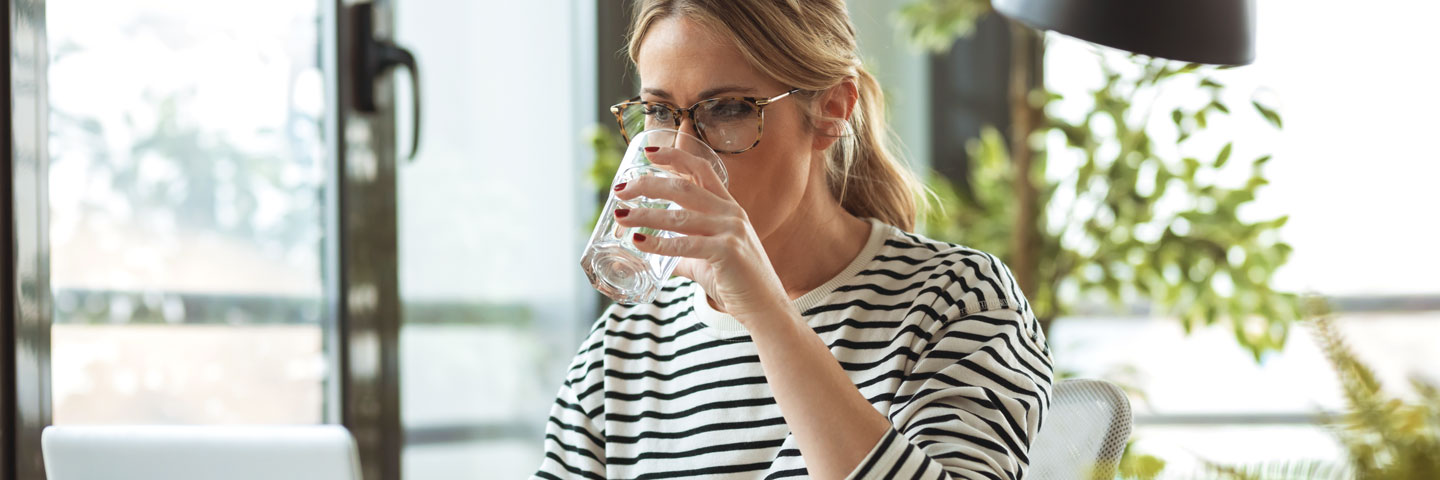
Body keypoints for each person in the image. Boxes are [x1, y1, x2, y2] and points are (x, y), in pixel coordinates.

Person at [536, 1, 1052, 478]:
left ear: (831, 109)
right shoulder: (620, 352)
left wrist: (767, 314)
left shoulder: (957, 302)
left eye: (728, 109)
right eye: (661, 112)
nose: (682, 152)